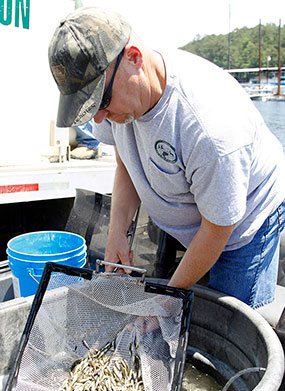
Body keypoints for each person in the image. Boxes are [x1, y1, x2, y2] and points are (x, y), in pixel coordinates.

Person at [48, 6, 285, 309]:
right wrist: (118, 233)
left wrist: (167, 297)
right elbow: (126, 164)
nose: (99, 118)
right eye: (92, 107)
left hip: (245, 221)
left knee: (226, 316)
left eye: (102, 102)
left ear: (133, 57)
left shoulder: (211, 127)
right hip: (199, 209)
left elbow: (218, 228)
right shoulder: (116, 99)